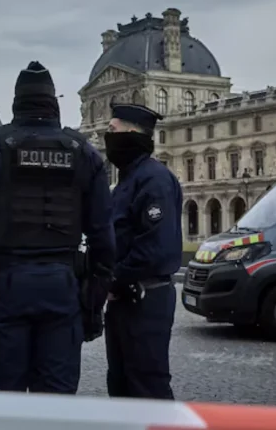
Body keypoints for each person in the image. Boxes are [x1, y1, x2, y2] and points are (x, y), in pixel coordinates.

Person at [0, 61, 114, 393]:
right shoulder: (85, 154)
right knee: (55, 404)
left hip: (6, 287)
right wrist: (93, 307)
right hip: (63, 286)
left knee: (5, 401)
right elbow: (104, 243)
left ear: (15, 103)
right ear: (54, 102)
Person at [102, 103, 183, 400]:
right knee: (121, 382)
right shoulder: (129, 179)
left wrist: (114, 279)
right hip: (126, 298)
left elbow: (154, 247)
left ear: (133, 133)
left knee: (147, 385)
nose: (107, 137)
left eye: (112, 130)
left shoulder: (154, 179)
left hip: (145, 298)